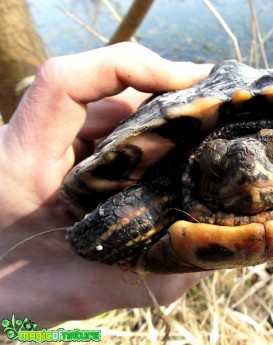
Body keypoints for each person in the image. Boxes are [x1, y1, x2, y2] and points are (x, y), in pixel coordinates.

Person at [0, 42, 213, 328]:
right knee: (130, 216)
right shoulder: (168, 190)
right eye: (223, 161)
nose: (249, 170)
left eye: (272, 151)